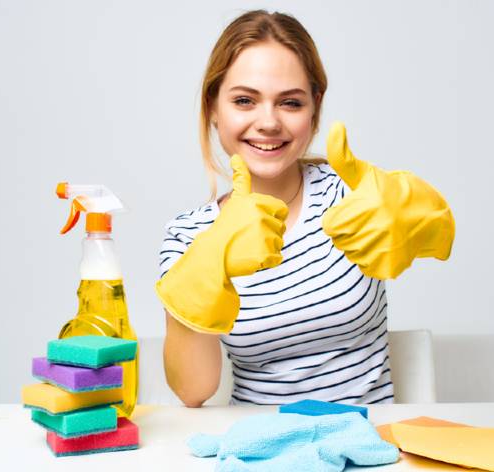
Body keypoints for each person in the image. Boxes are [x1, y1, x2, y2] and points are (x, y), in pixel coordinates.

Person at [155, 10, 455, 407]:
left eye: (290, 103)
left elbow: (442, 234)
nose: (268, 122)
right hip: (259, 451)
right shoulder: (187, 234)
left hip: (371, 446)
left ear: (314, 107)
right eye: (244, 100)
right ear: (213, 107)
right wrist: (209, 258)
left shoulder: (354, 197)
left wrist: (415, 208)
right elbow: (193, 391)